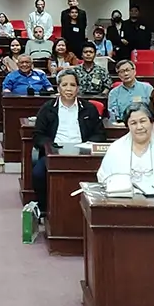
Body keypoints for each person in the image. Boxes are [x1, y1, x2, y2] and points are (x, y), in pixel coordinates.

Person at [31, 70, 105, 212]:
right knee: (38, 173)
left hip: (83, 153)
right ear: (58, 88)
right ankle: (45, 208)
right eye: (65, 85)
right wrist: (50, 147)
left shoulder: (89, 108)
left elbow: (100, 134)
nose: (69, 89)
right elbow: (38, 135)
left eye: (72, 85)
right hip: (55, 153)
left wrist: (87, 145)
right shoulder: (47, 108)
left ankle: (93, 209)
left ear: (78, 88)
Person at [96, 103, 154, 195]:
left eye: (143, 121)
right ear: (128, 126)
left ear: (151, 122)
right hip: (122, 204)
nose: (139, 127)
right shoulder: (115, 149)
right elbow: (104, 180)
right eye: (133, 123)